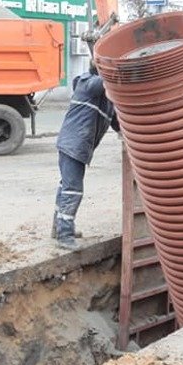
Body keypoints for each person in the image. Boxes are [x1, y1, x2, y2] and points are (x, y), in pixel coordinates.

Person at [51, 61, 120, 250]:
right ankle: (64, 236)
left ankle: (59, 227)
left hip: (78, 147)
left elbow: (117, 124)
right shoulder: (88, 84)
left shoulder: (107, 102)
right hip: (73, 145)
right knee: (73, 189)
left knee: (66, 185)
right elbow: (107, 81)